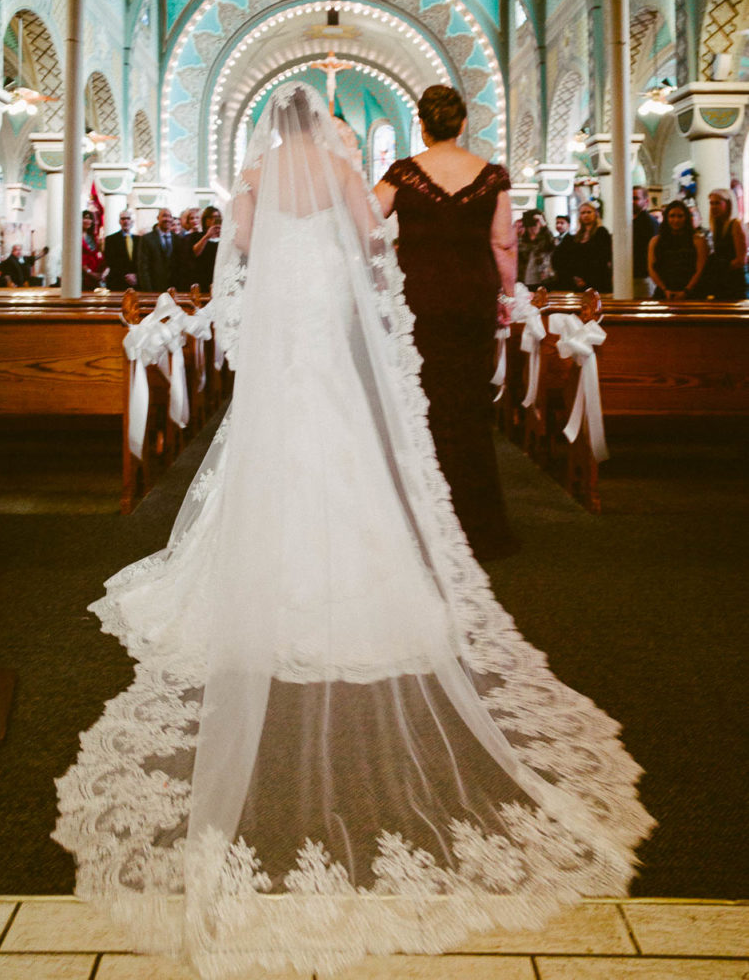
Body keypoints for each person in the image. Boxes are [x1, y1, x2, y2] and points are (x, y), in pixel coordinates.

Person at [53, 82, 653, 980]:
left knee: (272, 436)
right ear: (326, 130)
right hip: (327, 321)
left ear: (268, 126)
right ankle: (361, 573)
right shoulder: (343, 167)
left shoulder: (258, 170)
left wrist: (280, 248)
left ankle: (259, 564)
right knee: (340, 435)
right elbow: (373, 241)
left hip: (282, 322)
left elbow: (245, 246)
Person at [374, 85, 517, 561]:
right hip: (473, 297)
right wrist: (507, 297)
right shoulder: (491, 176)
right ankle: (479, 524)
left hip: (421, 300)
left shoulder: (403, 174)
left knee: (424, 403)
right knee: (470, 406)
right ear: (461, 124)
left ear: (422, 124)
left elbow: (366, 222)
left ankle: (423, 520)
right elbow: (503, 244)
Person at [647, 200, 708, 300]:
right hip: (664, 292)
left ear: (686, 218)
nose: (676, 220)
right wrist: (665, 289)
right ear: (666, 218)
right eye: (672, 216)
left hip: (692, 293)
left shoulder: (698, 241)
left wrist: (686, 290)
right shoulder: (655, 241)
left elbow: (700, 270)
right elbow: (652, 268)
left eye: (680, 216)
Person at [701, 188, 747, 299]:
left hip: (733, 280)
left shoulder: (735, 225)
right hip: (721, 280)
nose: (713, 207)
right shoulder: (716, 225)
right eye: (711, 203)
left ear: (727, 204)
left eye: (717, 203)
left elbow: (741, 260)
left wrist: (721, 269)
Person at [137, 207, 187, 292]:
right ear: (158, 218)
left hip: (174, 288)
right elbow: (143, 267)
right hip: (154, 287)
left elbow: (181, 266)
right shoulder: (147, 239)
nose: (167, 219)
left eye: (170, 216)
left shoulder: (178, 239)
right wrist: (148, 290)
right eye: (164, 216)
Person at [569, 201, 612, 293]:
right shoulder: (578, 235)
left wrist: (587, 279)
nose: (586, 215)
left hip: (598, 278)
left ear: (595, 214)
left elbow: (603, 257)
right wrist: (576, 276)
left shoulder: (601, 232)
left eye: (589, 212)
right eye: (583, 213)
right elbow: (574, 258)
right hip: (579, 280)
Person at [186, 204, 221, 293]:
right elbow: (196, 252)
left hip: (219, 275)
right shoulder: (197, 236)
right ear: (206, 220)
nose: (214, 220)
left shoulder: (224, 237)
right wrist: (207, 236)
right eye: (211, 217)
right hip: (202, 277)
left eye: (217, 217)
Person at [517, 208, 555, 289]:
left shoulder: (545, 238)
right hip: (524, 280)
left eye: (535, 223)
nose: (533, 227)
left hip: (543, 279)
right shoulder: (522, 240)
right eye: (530, 224)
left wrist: (543, 224)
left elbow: (552, 244)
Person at [103, 209, 140, 291]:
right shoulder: (110, 239)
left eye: (128, 218)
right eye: (123, 219)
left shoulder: (139, 240)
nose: (126, 221)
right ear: (119, 221)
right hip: (118, 281)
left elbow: (142, 260)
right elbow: (110, 261)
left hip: (136, 282)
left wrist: (135, 275)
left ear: (132, 221)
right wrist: (126, 275)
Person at [632, 186, 659, 298]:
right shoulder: (631, 221)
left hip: (643, 276)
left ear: (646, 201)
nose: (631, 202)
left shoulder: (648, 222)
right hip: (631, 275)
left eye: (636, 198)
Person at [81, 210, 104, 291]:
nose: (88, 221)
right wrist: (89, 272)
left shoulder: (94, 237)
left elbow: (98, 254)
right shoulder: (76, 237)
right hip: (83, 275)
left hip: (95, 273)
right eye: (85, 218)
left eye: (90, 218)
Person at [551, 213, 576, 290]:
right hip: (555, 275)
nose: (559, 225)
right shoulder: (553, 239)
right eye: (557, 223)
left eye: (562, 223)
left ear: (568, 225)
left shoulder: (572, 239)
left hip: (566, 274)